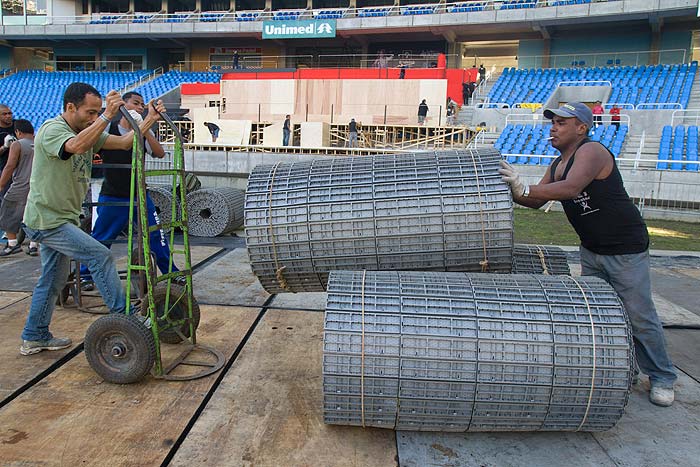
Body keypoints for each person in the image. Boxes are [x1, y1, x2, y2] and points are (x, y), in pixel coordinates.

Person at [498, 102, 677, 407]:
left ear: (581, 127)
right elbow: (536, 201)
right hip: (592, 250)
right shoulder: (556, 165)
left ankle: (662, 376)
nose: (553, 127)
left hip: (625, 249)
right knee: (606, 316)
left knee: (639, 315)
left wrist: (524, 186)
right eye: (552, 122)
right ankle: (626, 370)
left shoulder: (592, 152)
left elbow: (570, 189)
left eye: (562, 123)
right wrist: (511, 188)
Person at [19, 82, 165, 356]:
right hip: (47, 220)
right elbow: (74, 146)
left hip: (63, 218)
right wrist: (106, 116)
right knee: (99, 255)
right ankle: (126, 318)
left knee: (52, 281)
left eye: (97, 111)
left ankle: (34, 335)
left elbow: (124, 143)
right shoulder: (53, 130)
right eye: (89, 112)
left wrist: (148, 121)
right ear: (70, 107)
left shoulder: (87, 131)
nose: (93, 117)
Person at [79, 91, 183, 290]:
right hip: (113, 195)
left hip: (139, 195)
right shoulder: (108, 129)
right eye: (135, 103)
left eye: (142, 105)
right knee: (102, 237)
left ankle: (171, 273)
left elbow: (160, 153)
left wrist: (147, 129)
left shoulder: (143, 132)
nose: (139, 108)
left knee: (155, 234)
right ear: (122, 107)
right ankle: (85, 274)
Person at [0, 119, 38, 256]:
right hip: (37, 186)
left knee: (7, 212)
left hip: (20, 185)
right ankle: (33, 245)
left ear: (18, 132)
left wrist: (1, 184)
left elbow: (10, 166)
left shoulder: (17, 144)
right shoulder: (39, 142)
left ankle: (12, 244)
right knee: (33, 215)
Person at [0, 104, 16, 200]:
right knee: (5, 197)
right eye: (4, 114)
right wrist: (5, 147)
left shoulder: (18, 124)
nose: (8, 116)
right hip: (5, 167)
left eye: (9, 113)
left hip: (21, 166)